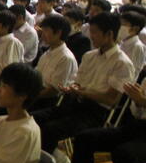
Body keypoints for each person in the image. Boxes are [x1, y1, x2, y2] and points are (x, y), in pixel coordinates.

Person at [30, 12, 134, 154]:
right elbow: (78, 83)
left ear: (109, 34)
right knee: (34, 117)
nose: (91, 36)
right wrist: (72, 89)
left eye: (95, 32)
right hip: (76, 103)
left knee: (51, 129)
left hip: (96, 112)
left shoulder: (122, 63)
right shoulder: (89, 56)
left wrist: (82, 92)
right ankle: (32, 156)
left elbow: (110, 99)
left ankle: (44, 161)